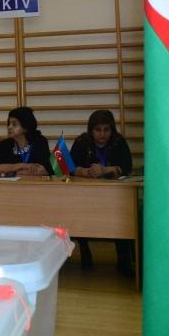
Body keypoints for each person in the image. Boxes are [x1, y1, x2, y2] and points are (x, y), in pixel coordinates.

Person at [69, 109, 135, 276]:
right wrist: (83, 172)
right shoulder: (81, 142)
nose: (102, 134)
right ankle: (84, 250)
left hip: (113, 195)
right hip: (85, 195)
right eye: (98, 130)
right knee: (78, 211)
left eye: (106, 130)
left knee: (122, 214)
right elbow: (69, 167)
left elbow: (127, 167)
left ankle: (123, 257)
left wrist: (106, 169)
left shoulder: (119, 142)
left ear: (112, 130)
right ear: (91, 130)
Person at [0, 107, 51, 176]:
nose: (9, 127)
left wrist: (12, 171)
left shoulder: (39, 142)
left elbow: (48, 169)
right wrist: (22, 166)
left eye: (14, 124)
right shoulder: (4, 144)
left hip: (35, 182)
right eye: (9, 123)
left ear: (25, 126)